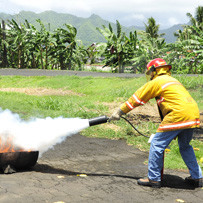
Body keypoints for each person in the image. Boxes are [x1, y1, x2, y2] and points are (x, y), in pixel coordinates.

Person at [109, 58, 202, 188]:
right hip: (193, 114)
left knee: (157, 144)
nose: (150, 75)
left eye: (150, 72)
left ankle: (153, 178)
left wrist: (120, 111)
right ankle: (197, 177)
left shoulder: (158, 81)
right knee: (185, 146)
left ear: (154, 70)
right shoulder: (173, 81)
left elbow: (137, 98)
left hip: (178, 114)